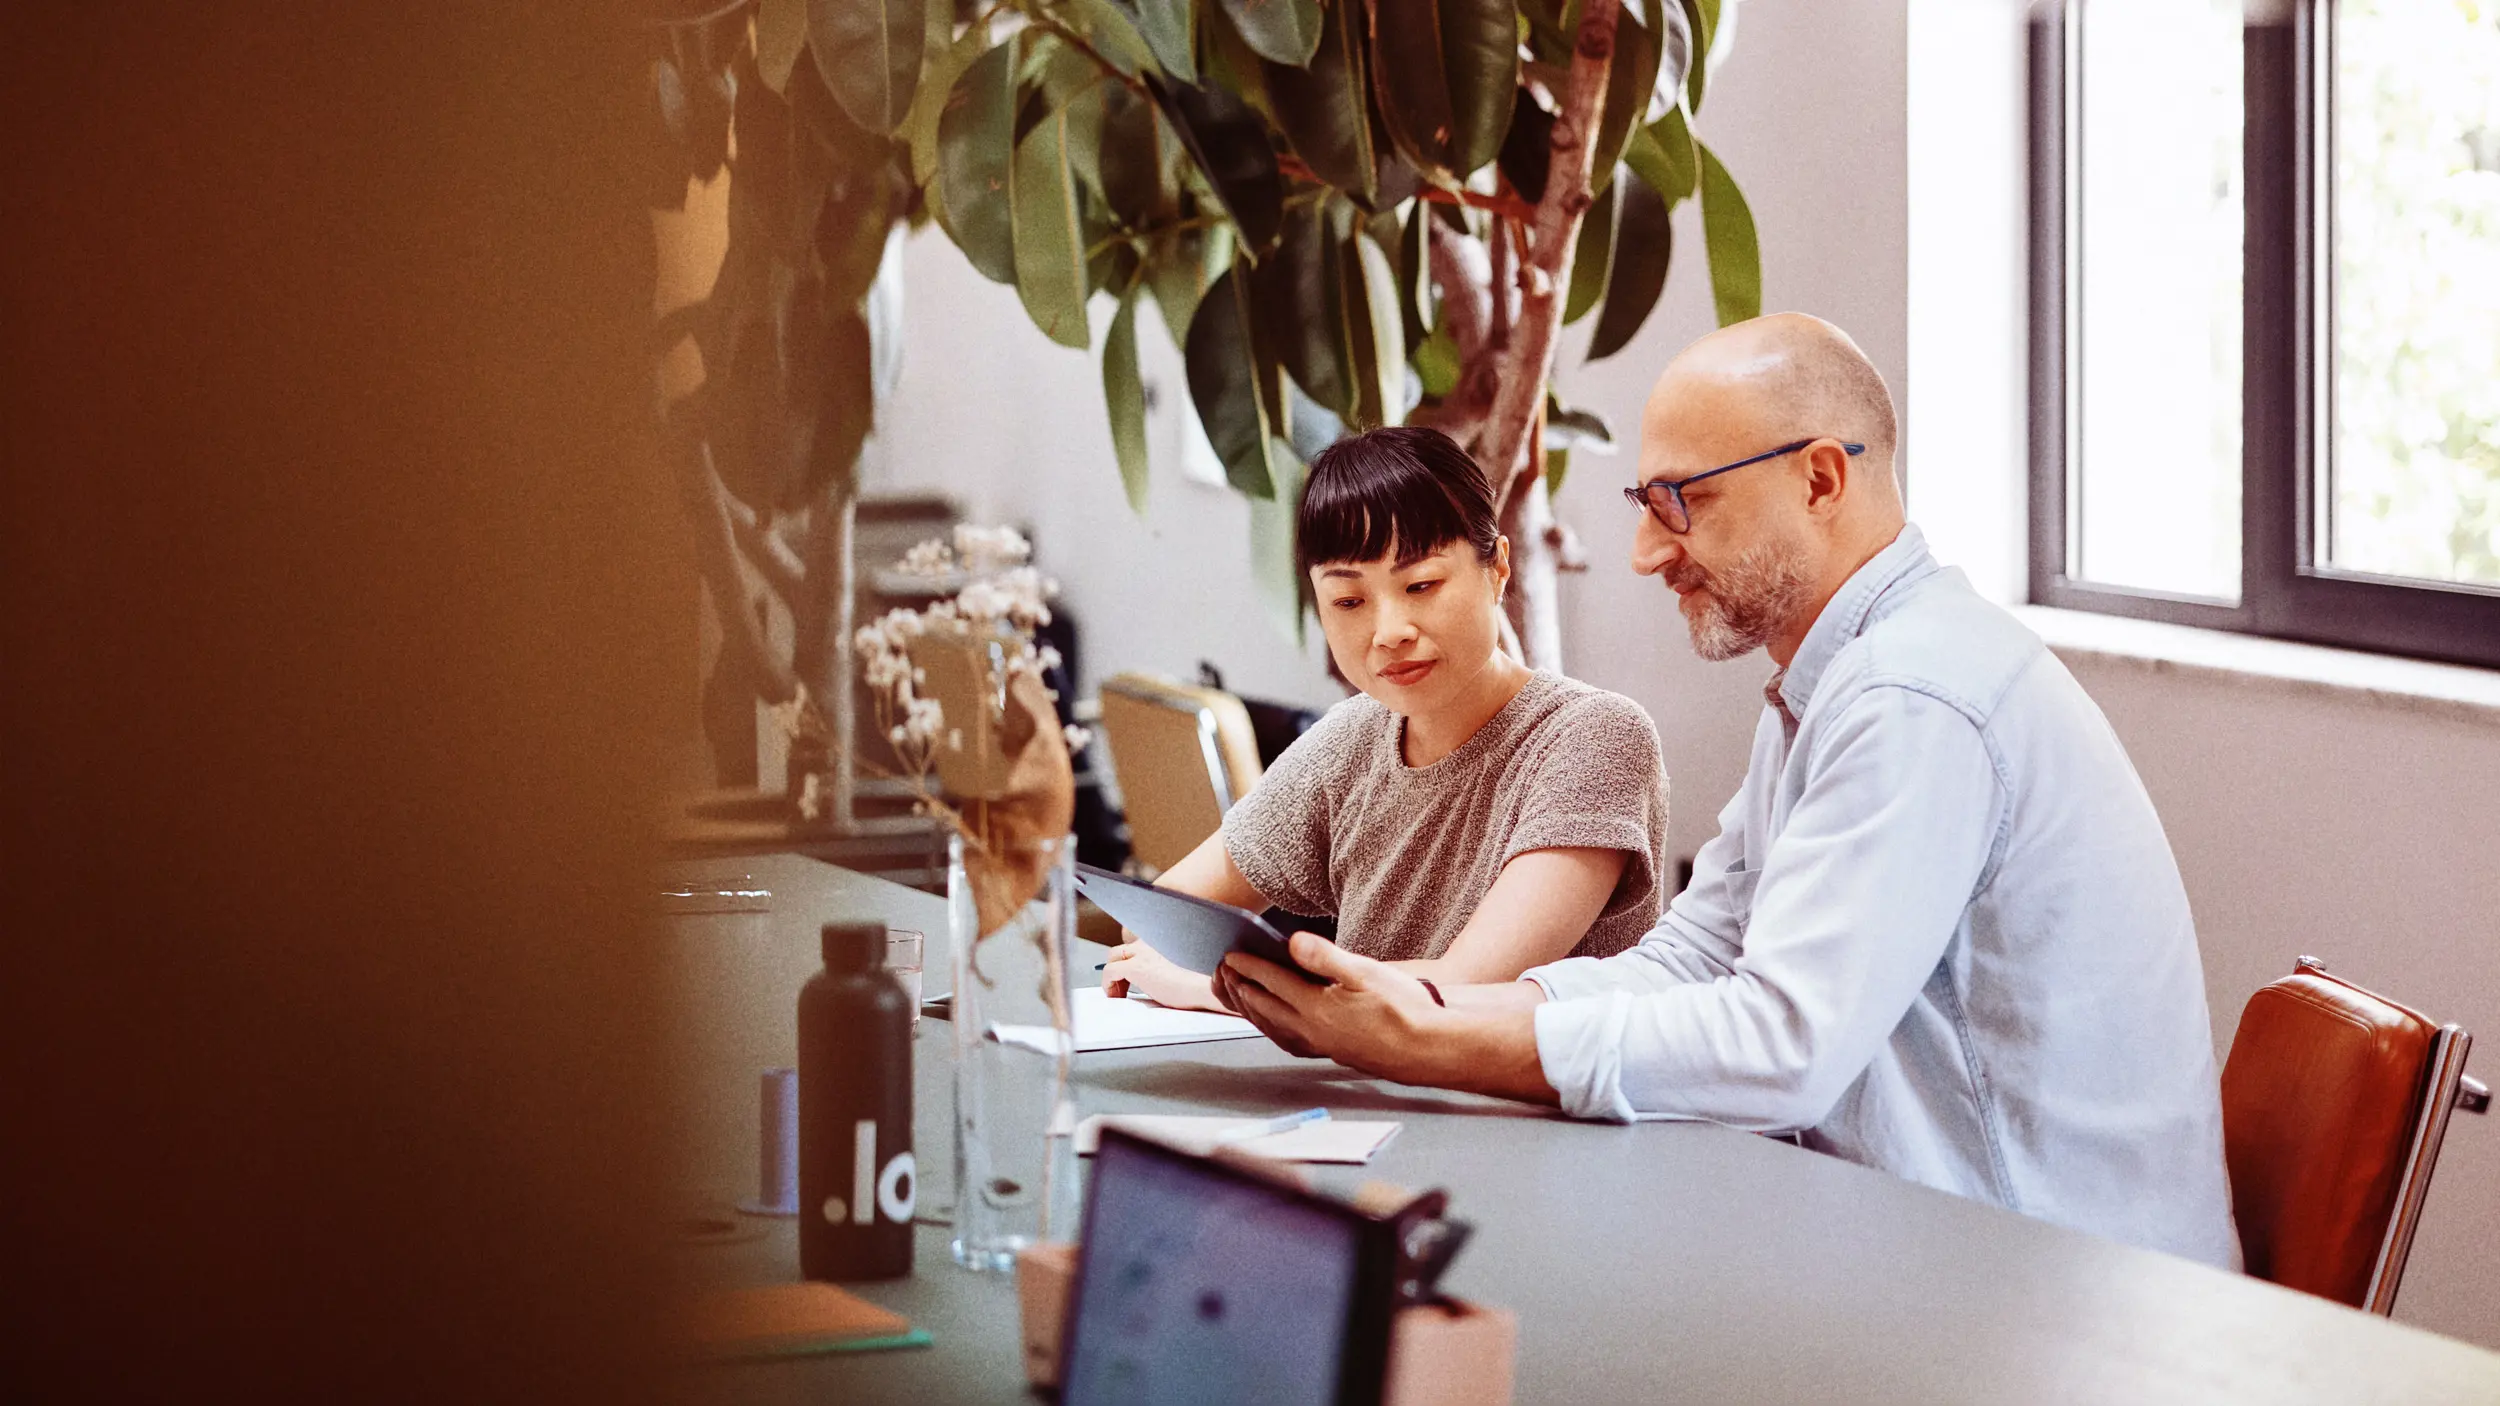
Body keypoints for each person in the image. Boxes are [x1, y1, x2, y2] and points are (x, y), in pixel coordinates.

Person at [1212, 315, 2242, 1269]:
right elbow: (1698, 952)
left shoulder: (1910, 698)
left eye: (1683, 502)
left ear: (1821, 480)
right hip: (1934, 1254)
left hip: (2050, 1297)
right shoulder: (1827, 686)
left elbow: (1780, 1044)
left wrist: (1434, 1037)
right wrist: (1435, 1005)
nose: (1646, 550)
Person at [1102, 425, 1670, 1013]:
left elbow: (1465, 987)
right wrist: (1174, 963)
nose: (1390, 631)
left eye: (1421, 584)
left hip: (1526, 1102)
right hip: (1369, 1097)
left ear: (1497, 569)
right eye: (1349, 601)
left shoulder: (1595, 737)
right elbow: (1159, 923)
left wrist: (1210, 989)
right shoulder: (1350, 739)